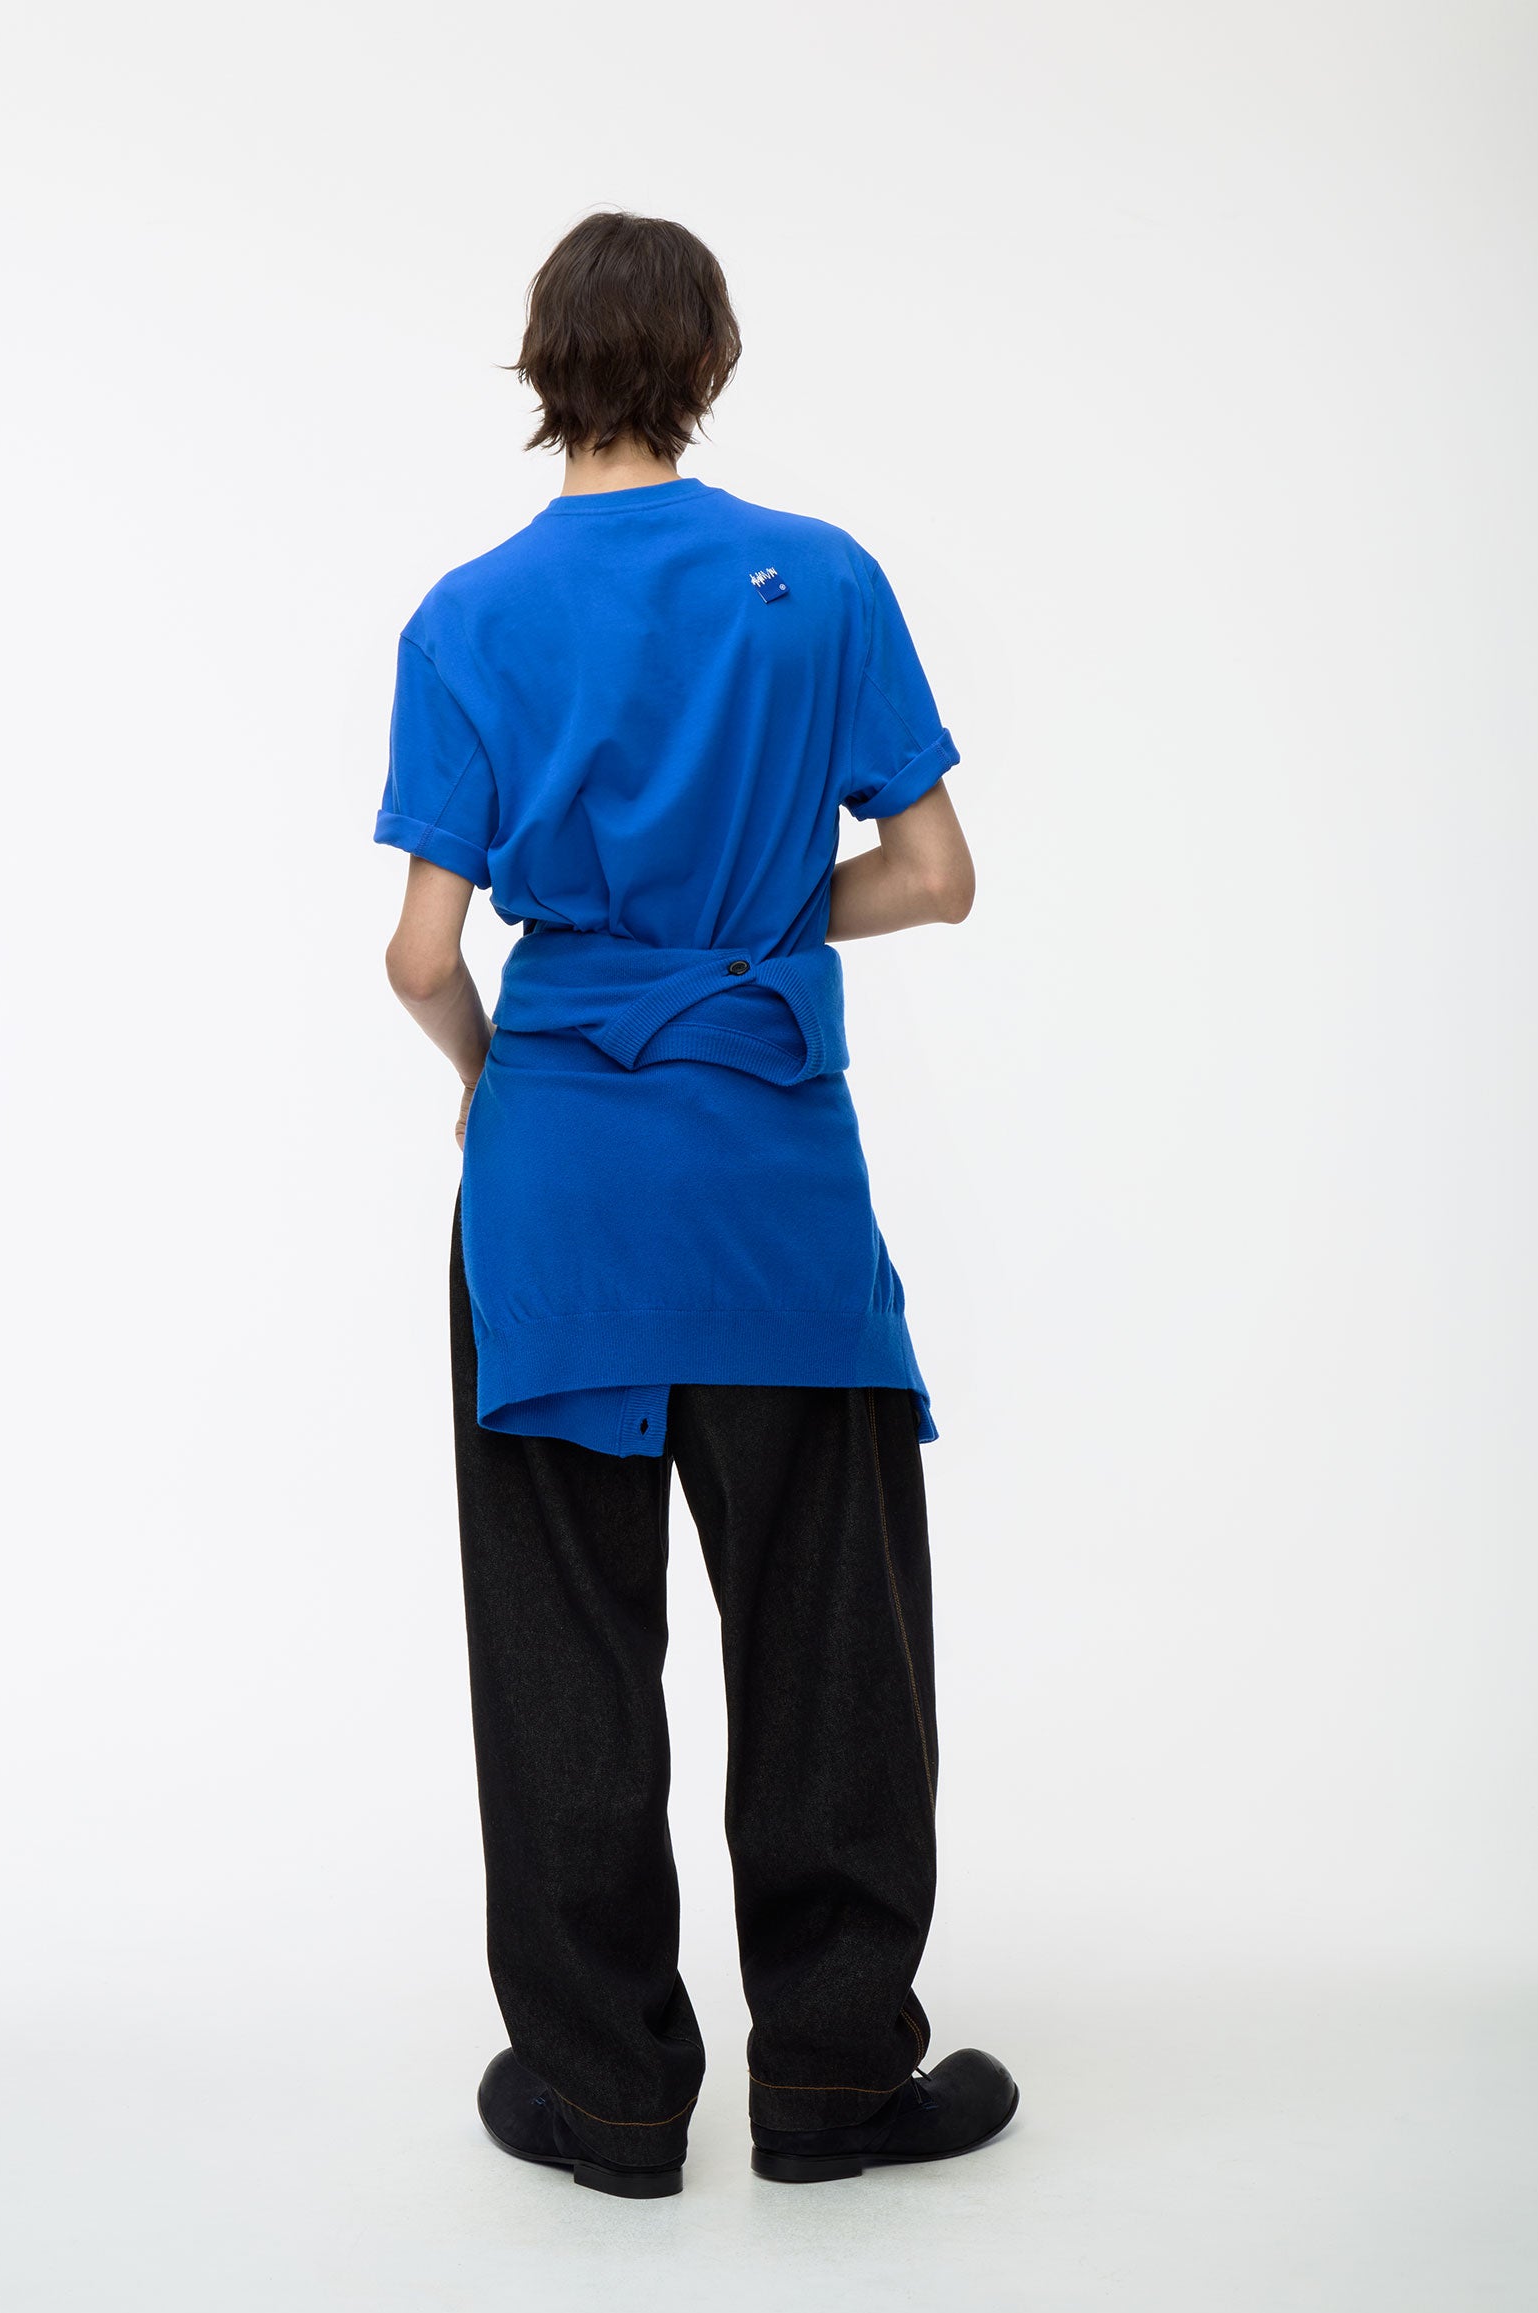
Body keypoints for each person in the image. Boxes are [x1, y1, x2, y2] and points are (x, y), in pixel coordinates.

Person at [374, 212, 1016, 2199]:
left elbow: (419, 956)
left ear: (539, 369)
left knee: (561, 1644)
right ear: (713, 364)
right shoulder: (822, 579)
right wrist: (743, 927)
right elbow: (936, 876)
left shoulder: (468, 615)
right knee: (830, 1636)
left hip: (560, 1184)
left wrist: (497, 1076)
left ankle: (607, 2099)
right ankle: (832, 2082)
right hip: (771, 1180)